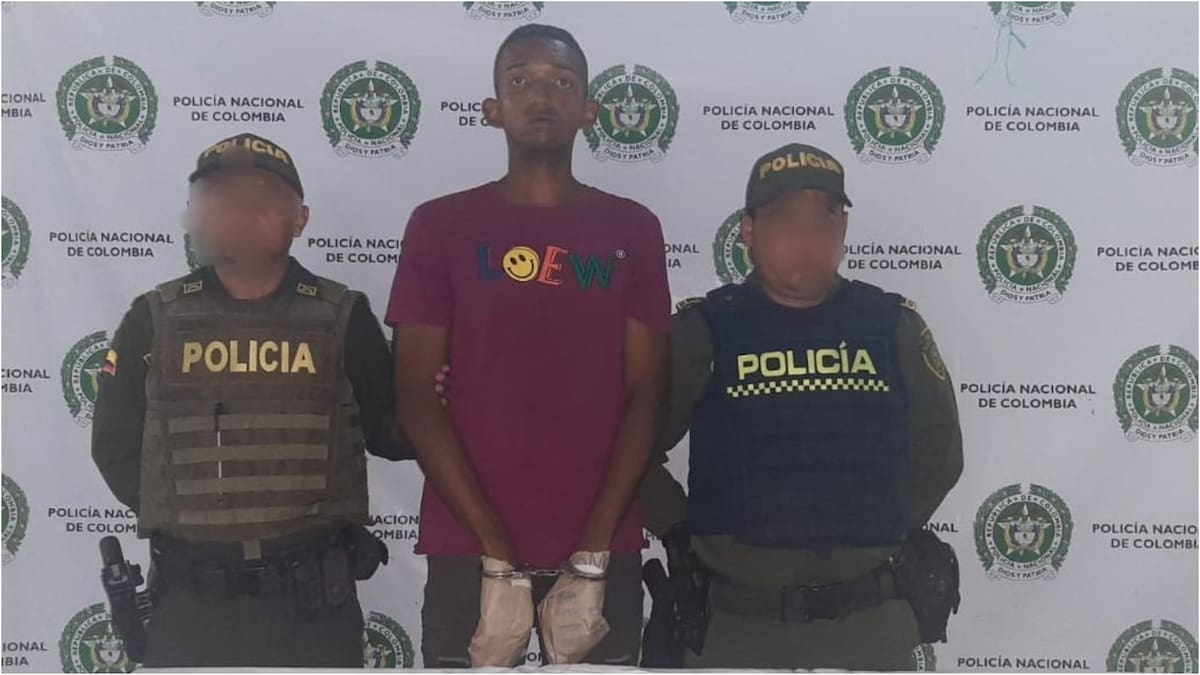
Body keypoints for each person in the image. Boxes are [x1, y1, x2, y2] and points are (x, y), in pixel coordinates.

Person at [388, 24, 670, 668]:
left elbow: (647, 393)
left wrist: (593, 554)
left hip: (603, 544)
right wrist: (496, 554)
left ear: (589, 110)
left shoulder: (633, 228)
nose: (541, 97)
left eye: (561, 83)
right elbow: (415, 395)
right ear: (493, 109)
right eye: (520, 81)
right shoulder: (440, 225)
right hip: (469, 545)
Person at [91, 132, 413, 668]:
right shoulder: (154, 318)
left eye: (260, 198)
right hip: (191, 601)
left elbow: (390, 433)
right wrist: (193, 522)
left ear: (300, 219)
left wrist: (445, 391)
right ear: (198, 215)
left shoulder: (341, 315)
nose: (241, 213)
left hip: (312, 606)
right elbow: (114, 444)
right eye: (223, 199)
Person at [640, 142, 964, 670]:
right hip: (735, 626)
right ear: (749, 231)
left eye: (823, 219)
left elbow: (941, 454)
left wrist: (877, 520)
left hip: (870, 623)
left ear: (843, 228)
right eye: (786, 220)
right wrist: (679, 531)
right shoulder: (705, 331)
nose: (806, 239)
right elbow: (633, 451)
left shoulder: (892, 327)